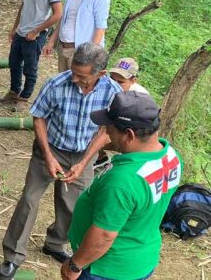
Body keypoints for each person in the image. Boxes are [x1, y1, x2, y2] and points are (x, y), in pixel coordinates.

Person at [0, 43, 122, 280]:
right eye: (73, 71)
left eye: (82, 76)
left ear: (100, 74)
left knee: (74, 205)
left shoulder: (113, 92)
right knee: (29, 200)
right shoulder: (57, 83)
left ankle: (56, 243)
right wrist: (48, 155)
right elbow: (39, 118)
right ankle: (13, 256)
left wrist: (85, 161)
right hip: (50, 148)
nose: (74, 78)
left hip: (84, 154)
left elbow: (107, 130)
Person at [62, 91, 181, 280]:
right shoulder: (170, 155)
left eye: (110, 129)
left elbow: (104, 235)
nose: (106, 132)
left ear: (129, 134)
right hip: (140, 256)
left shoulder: (123, 181)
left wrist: (75, 265)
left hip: (106, 268)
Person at [0, 0, 63, 106]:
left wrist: (36, 31)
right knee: (13, 62)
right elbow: (24, 4)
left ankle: (25, 96)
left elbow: (58, 14)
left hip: (35, 35)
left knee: (30, 67)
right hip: (22, 31)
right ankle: (14, 91)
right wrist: (14, 28)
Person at [44, 0, 111, 72]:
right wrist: (51, 41)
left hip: (81, 51)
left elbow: (100, 28)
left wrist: (90, 56)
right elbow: (64, 18)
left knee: (78, 84)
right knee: (64, 82)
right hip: (63, 46)